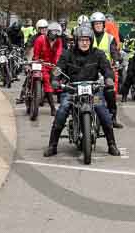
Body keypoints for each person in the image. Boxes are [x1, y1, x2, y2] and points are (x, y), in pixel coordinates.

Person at [43, 24, 120, 157]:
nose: (84, 43)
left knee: (103, 111)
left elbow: (107, 69)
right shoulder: (67, 54)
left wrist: (109, 78)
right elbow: (58, 68)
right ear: (77, 40)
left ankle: (111, 144)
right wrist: (55, 79)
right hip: (72, 90)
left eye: (87, 40)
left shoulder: (98, 54)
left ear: (90, 41)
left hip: (94, 91)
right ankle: (52, 145)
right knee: (62, 110)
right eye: (81, 40)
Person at [90, 12, 123, 127]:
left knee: (110, 93)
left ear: (104, 25)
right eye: (96, 24)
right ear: (92, 25)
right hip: (92, 70)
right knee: (94, 94)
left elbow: (114, 51)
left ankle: (113, 118)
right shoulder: (88, 37)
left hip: (106, 71)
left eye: (100, 23)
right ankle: (94, 115)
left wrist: (117, 60)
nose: (98, 26)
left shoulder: (110, 38)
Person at [31, 21, 63, 116]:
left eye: (57, 36)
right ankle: (53, 107)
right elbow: (36, 54)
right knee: (46, 81)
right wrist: (37, 60)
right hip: (40, 63)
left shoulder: (59, 41)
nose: (54, 39)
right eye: (53, 35)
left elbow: (58, 54)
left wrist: (57, 65)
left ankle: (57, 97)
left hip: (52, 65)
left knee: (58, 80)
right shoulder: (40, 39)